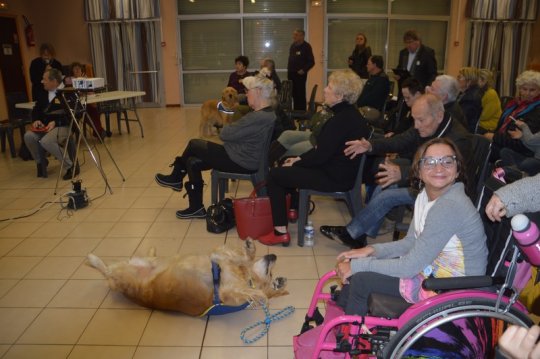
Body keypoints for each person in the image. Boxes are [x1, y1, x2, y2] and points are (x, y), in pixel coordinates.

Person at [333, 137, 487, 316]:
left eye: (447, 161)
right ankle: (337, 328)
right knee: (357, 278)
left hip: (452, 291)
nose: (439, 168)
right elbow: (411, 242)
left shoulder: (450, 205)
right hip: (432, 276)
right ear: (419, 171)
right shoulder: (425, 196)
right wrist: (371, 250)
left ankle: (350, 340)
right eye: (429, 162)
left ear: (458, 170)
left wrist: (359, 266)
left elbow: (409, 266)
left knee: (361, 280)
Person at [321, 94, 472, 248]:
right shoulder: (428, 125)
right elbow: (400, 141)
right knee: (385, 182)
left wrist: (404, 173)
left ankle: (352, 233)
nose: (416, 125)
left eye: (420, 120)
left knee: (387, 195)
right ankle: (360, 235)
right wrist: (370, 146)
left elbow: (443, 176)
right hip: (424, 181)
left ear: (439, 116)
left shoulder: (458, 139)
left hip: (442, 191)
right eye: (414, 119)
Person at [261, 69, 371, 246]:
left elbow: (320, 155)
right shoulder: (349, 115)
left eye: (329, 86)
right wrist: (298, 160)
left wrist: (299, 161)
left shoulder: (341, 120)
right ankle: (293, 208)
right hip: (336, 170)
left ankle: (279, 231)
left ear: (340, 95)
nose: (325, 90)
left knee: (274, 175)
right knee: (286, 163)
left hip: (334, 177)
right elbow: (322, 150)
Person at [155, 71, 276, 219]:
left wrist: (233, 130)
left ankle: (176, 177)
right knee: (192, 161)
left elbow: (224, 134)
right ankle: (196, 207)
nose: (245, 95)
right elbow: (235, 132)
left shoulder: (257, 117)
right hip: (242, 156)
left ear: (258, 92)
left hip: (240, 160)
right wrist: (234, 131)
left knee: (194, 144)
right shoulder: (266, 113)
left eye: (247, 91)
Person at [24, 68, 79, 180]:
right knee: (28, 136)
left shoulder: (68, 93)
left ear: (54, 81)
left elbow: (75, 115)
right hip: (45, 127)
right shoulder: (42, 93)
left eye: (44, 79)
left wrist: (56, 122)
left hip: (64, 126)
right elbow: (36, 110)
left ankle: (70, 166)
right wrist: (36, 120)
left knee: (46, 141)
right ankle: (41, 161)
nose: (42, 81)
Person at [485, 70, 540, 162]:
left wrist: (494, 137)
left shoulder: (537, 110)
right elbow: (500, 127)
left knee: (482, 149)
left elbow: (522, 144)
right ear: (519, 89)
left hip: (520, 151)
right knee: (476, 141)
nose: (527, 93)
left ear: (539, 91)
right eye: (524, 89)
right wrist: (491, 135)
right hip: (503, 143)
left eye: (532, 90)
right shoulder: (513, 104)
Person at [66, 62, 108, 139]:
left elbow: (91, 92)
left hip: (86, 102)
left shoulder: (86, 79)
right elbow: (73, 92)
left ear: (82, 70)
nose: (78, 70)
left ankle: (98, 132)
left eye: (79, 68)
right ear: (72, 71)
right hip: (76, 105)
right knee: (86, 112)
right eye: (75, 69)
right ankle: (99, 131)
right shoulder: (69, 80)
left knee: (93, 110)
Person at [287, 29, 315, 111]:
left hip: (300, 75)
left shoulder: (306, 46)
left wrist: (304, 70)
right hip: (291, 73)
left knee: (300, 94)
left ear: (302, 36)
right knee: (293, 94)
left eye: (296, 35)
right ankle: (295, 112)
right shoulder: (293, 45)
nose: (294, 37)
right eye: (294, 35)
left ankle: (301, 113)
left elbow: (311, 62)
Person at [457, 67, 483, 133]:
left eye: (460, 77)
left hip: (465, 131)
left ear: (469, 80)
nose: (457, 79)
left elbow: (461, 118)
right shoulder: (465, 93)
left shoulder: (471, 98)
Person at [477, 68, 502, 133]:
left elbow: (485, 116)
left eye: (477, 79)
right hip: (482, 123)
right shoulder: (482, 92)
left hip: (490, 125)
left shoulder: (491, 93)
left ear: (484, 81)